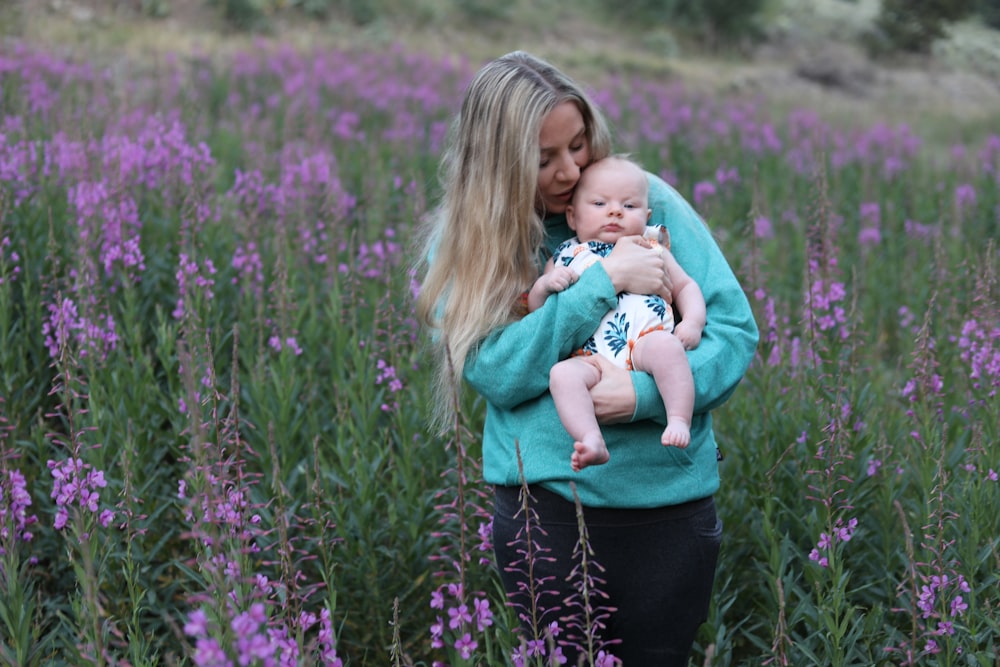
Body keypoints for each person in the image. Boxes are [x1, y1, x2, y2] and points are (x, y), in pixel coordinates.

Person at [415, 51, 758, 666]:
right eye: (544, 159)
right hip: (545, 513)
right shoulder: (473, 242)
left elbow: (732, 332)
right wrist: (602, 283)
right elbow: (494, 371)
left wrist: (644, 400)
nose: (572, 170)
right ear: (498, 165)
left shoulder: (643, 202)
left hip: (667, 510)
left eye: (578, 143)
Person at [528, 155, 707, 473]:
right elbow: (538, 318)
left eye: (629, 206)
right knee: (562, 376)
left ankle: (679, 418)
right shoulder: (567, 255)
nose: (614, 211)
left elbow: (685, 287)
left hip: (644, 344)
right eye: (599, 203)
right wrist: (543, 287)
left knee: (669, 350)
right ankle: (590, 438)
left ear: (647, 215)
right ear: (572, 216)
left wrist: (692, 321)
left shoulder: (651, 248)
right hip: (588, 357)